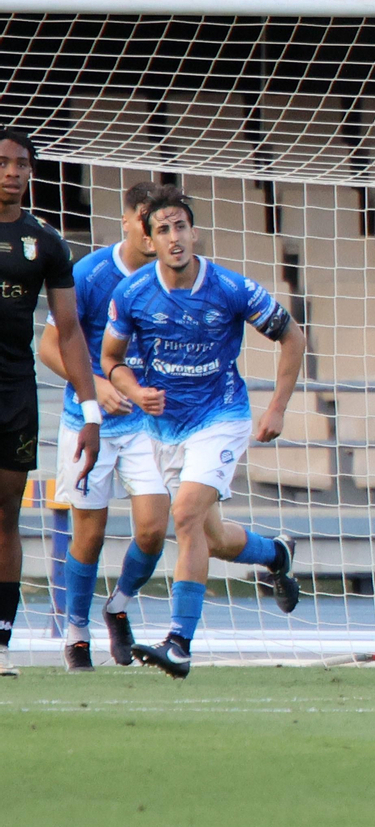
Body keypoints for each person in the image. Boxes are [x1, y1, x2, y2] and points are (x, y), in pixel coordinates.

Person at [102, 184, 306, 679]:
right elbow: (110, 360)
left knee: (186, 515)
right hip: (164, 428)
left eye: (181, 227)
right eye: (163, 230)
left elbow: (291, 335)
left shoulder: (231, 288)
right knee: (209, 536)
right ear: (149, 241)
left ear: (194, 233)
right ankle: (276, 554)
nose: (175, 237)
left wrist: (277, 407)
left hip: (221, 416)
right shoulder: (131, 294)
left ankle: (179, 642)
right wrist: (132, 388)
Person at [38, 182, 170, 671]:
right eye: (147, 223)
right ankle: (75, 631)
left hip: (146, 426)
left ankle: (118, 605)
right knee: (88, 535)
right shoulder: (91, 273)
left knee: (154, 529)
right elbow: (50, 347)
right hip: (87, 419)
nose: (155, 234)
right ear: (130, 221)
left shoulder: (169, 278)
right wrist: (97, 384)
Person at [0, 127, 102, 677]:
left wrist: (90, 413)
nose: (12, 172)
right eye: (2, 162)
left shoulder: (46, 243)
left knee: (5, 516)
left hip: (14, 396)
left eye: (21, 164)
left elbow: (69, 333)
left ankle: (0, 643)